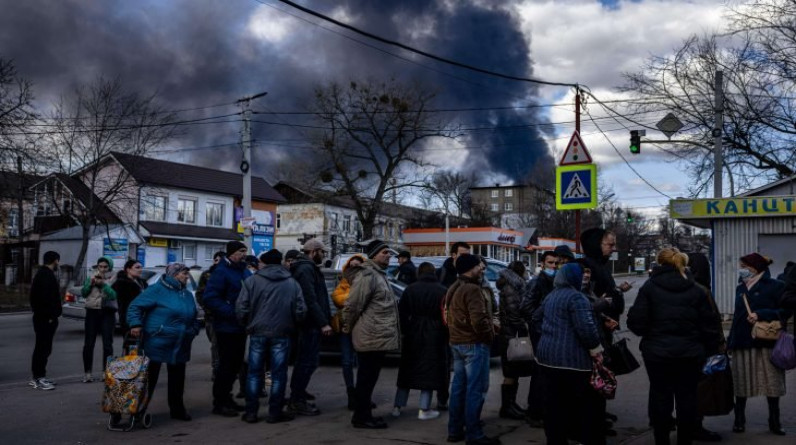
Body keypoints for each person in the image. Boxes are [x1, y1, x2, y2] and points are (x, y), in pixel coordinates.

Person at [627, 248, 721, 445]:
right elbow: (710, 325)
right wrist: (709, 350)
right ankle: (685, 440)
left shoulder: (649, 288)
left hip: (657, 354)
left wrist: (650, 334)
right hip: (690, 354)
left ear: (659, 263)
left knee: (661, 397)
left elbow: (636, 323)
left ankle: (662, 440)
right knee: (687, 399)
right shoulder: (696, 289)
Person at [535, 262, 605, 445]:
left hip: (546, 359)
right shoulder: (577, 298)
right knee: (583, 405)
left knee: (553, 407)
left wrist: (549, 335)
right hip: (572, 361)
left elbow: (535, 318)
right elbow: (586, 329)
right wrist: (597, 350)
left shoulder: (551, 296)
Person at [236, 249, 306, 424]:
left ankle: (251, 412)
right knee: (278, 374)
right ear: (281, 262)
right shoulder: (292, 283)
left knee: (254, 373)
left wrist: (246, 324)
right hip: (282, 332)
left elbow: (241, 307)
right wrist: (294, 324)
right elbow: (301, 310)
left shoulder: (252, 281)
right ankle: (275, 413)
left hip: (257, 332)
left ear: (264, 263)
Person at [126, 263, 199, 422]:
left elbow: (194, 315)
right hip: (157, 340)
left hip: (181, 342)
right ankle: (137, 410)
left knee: (178, 379)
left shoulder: (186, 294)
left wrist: (193, 330)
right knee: (148, 378)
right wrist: (135, 324)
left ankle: (177, 409)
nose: (187, 277)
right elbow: (135, 307)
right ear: (174, 274)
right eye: (184, 274)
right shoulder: (156, 290)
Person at [726, 252, 789, 435]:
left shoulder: (777, 286)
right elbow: (738, 317)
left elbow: (785, 311)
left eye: (745, 266)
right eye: (741, 267)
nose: (742, 270)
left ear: (755, 267)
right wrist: (731, 341)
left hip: (766, 341)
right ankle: (739, 420)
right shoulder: (741, 287)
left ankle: (775, 421)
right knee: (741, 382)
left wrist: (762, 314)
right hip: (743, 341)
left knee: (772, 383)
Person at [343, 239, 400, 429]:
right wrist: (347, 327)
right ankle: (361, 417)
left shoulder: (378, 274)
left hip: (376, 335)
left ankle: (363, 413)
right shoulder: (367, 275)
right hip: (369, 334)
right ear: (374, 255)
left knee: (370, 377)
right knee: (366, 378)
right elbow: (353, 304)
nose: (389, 256)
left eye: (389, 253)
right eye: (385, 253)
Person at [444, 254, 499, 445]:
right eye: (479, 266)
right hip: (474, 344)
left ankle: (455, 430)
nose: (482, 268)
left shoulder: (454, 286)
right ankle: (474, 434)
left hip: (457, 343)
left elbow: (447, 314)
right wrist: (489, 336)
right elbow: (479, 319)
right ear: (470, 268)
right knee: (476, 389)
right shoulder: (472, 289)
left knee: (459, 388)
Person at [580, 228, 629, 428]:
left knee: (602, 374)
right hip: (595, 331)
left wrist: (616, 293)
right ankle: (593, 421)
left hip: (604, 329)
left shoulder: (601, 265)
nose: (613, 248)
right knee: (594, 375)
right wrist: (604, 309)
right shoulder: (588, 267)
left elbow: (607, 294)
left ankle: (599, 414)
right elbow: (586, 301)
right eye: (609, 244)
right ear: (595, 245)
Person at [392, 262, 448, 421]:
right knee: (429, 371)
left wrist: (406, 329)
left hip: (413, 331)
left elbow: (402, 313)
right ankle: (424, 408)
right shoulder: (442, 290)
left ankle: (397, 406)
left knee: (407, 370)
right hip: (435, 333)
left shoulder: (410, 289)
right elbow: (446, 316)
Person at [203, 240, 253, 417]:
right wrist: (232, 312)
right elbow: (210, 297)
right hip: (226, 326)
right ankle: (220, 402)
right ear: (232, 253)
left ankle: (227, 398)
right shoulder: (221, 272)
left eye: (245, 251)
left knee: (236, 364)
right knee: (226, 365)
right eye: (241, 251)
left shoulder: (243, 270)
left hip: (240, 326)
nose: (244, 254)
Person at [288, 237, 333, 416]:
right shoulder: (306, 269)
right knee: (307, 362)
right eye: (322, 252)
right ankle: (296, 399)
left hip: (310, 323)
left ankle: (298, 393)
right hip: (309, 324)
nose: (323, 255)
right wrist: (323, 323)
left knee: (308, 361)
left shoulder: (308, 268)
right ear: (314, 252)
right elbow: (310, 299)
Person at [685, 252, 725, 442]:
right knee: (700, 389)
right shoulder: (701, 290)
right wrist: (718, 344)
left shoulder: (684, 285)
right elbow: (711, 321)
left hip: (682, 347)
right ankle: (695, 426)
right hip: (700, 347)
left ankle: (687, 424)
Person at [496, 261, 534, 421]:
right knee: (511, 371)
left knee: (513, 371)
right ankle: (507, 407)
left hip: (509, 333)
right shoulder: (511, 288)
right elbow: (513, 313)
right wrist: (524, 327)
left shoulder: (512, 285)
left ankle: (511, 404)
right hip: (510, 335)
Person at [331, 253, 366, 410]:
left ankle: (362, 394)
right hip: (345, 327)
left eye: (357, 266)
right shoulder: (343, 282)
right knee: (347, 362)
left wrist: (351, 299)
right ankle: (351, 393)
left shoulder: (367, 282)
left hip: (362, 327)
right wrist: (353, 297)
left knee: (363, 362)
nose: (354, 269)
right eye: (352, 266)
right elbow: (337, 298)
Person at [81, 256, 117, 383]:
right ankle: (87, 373)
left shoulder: (113, 278)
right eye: (100, 266)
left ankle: (106, 372)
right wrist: (90, 285)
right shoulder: (91, 276)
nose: (102, 269)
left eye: (105, 267)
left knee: (107, 344)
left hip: (107, 312)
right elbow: (84, 293)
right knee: (89, 344)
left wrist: (103, 285)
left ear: (109, 267)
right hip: (92, 312)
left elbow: (113, 295)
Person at [29, 251, 61, 391]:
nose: (58, 264)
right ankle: (39, 378)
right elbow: (45, 298)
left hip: (42, 317)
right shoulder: (46, 275)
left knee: (43, 348)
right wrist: (50, 316)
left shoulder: (42, 274)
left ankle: (39, 376)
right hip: (45, 318)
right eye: (58, 261)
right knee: (43, 348)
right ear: (55, 261)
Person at [195, 251, 224, 381]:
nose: (218, 262)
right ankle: (217, 370)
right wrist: (208, 308)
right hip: (212, 316)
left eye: (221, 260)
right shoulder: (207, 275)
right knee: (215, 344)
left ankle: (225, 370)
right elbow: (200, 294)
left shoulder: (230, 274)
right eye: (216, 260)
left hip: (228, 316)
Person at [112, 259, 147, 334]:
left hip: (143, 317)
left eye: (141, 267)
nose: (140, 270)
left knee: (141, 343)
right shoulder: (121, 283)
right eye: (137, 267)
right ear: (128, 269)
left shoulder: (142, 282)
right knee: (131, 343)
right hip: (128, 318)